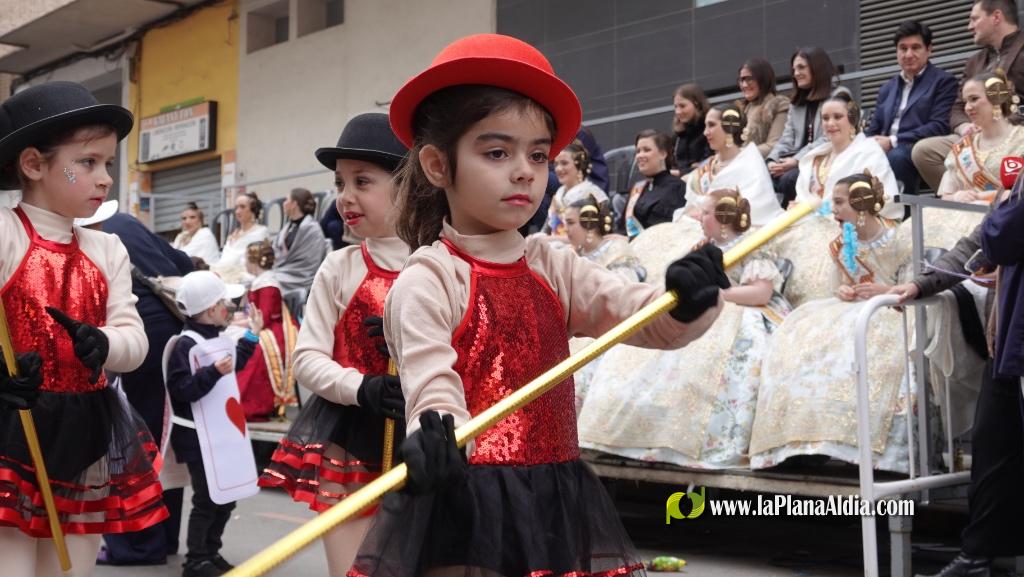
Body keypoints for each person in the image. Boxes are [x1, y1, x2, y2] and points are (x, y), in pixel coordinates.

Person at [348, 33, 727, 577]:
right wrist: (438, 434)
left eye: (538, 154)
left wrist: (683, 300)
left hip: (555, 497)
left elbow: (633, 314)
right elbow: (432, 383)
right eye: (496, 152)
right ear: (437, 164)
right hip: (467, 502)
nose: (524, 170)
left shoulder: (551, 263)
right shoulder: (430, 278)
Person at [0, 81, 165, 577]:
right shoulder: (5, 232)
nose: (105, 178)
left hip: (87, 432)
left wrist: (105, 343)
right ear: (33, 165)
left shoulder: (107, 249)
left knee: (71, 569)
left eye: (109, 164)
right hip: (12, 427)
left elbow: (134, 343)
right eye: (88, 162)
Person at [258, 112, 411, 576]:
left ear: (409, 186)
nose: (345, 197)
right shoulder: (339, 267)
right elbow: (307, 359)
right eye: (340, 183)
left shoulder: (445, 265)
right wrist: (361, 387)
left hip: (432, 441)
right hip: (351, 439)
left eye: (362, 182)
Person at [580, 188, 790, 469]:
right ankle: (642, 431)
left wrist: (716, 294)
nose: (699, 218)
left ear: (724, 217)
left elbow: (761, 293)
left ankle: (698, 438)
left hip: (741, 312)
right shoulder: (701, 246)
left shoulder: (753, 243)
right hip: (711, 306)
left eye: (706, 213)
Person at [750, 172, 913, 472]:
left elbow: (911, 285)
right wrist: (844, 289)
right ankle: (805, 442)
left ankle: (878, 450)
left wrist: (883, 291)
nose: (833, 210)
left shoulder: (898, 237)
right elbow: (838, 283)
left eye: (839, 202)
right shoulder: (840, 244)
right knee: (801, 344)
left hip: (891, 312)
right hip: (848, 310)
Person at [97, 209, 194, 567]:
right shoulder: (127, 224)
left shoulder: (89, 231)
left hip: (132, 340)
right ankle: (165, 537)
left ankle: (138, 543)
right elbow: (185, 264)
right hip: (171, 336)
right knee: (161, 439)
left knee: (129, 441)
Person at [165, 271, 260, 577]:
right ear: (208, 309)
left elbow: (235, 362)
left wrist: (252, 337)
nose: (229, 308)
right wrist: (212, 374)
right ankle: (195, 560)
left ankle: (210, 551)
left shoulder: (219, 338)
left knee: (227, 497)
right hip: (197, 437)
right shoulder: (184, 345)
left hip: (224, 432)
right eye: (223, 302)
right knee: (207, 498)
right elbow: (181, 390)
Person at [913, 0, 1024, 190]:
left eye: (974, 19)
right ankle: (965, 198)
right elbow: (957, 107)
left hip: (1014, 133)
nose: (969, 26)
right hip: (976, 136)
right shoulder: (974, 61)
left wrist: (1007, 121)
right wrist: (965, 127)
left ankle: (1006, 202)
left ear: (996, 17)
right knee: (924, 151)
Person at [926, 70, 1024, 250]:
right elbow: (945, 196)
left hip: (1005, 222)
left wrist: (982, 197)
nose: (967, 108)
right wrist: (957, 196)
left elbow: (1018, 196)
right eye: (965, 102)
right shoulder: (963, 147)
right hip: (957, 218)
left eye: (974, 99)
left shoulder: (1021, 140)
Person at [864, 20, 958, 197]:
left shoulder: (943, 81)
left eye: (916, 47)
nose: (909, 54)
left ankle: (902, 218)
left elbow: (939, 126)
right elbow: (874, 128)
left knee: (897, 156)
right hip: (885, 148)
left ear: (929, 49)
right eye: (903, 48)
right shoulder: (887, 88)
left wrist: (892, 141)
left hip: (916, 149)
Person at [793, 93, 903, 220]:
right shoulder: (815, 157)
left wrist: (817, 207)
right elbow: (802, 198)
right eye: (825, 118)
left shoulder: (868, 151)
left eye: (838, 117)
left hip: (856, 226)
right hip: (810, 223)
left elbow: (883, 201)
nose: (830, 123)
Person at [767, 47, 852, 206]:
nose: (796, 73)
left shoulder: (839, 95)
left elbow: (829, 138)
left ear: (817, 67)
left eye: (801, 67)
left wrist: (797, 160)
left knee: (789, 178)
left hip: (826, 158)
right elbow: (787, 137)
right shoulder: (796, 103)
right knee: (764, 175)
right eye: (794, 69)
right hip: (797, 160)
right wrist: (772, 160)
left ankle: (795, 223)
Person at [685, 103, 783, 225]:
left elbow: (755, 208)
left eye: (711, 125)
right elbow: (691, 206)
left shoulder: (750, 162)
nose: (705, 132)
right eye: (705, 126)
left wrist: (710, 215)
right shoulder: (706, 168)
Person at [235, 240, 298, 420]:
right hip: (264, 325)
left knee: (253, 346)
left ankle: (247, 402)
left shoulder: (268, 284)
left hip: (275, 332)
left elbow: (264, 318)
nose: (244, 262)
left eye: (246, 258)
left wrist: (239, 323)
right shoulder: (260, 281)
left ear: (254, 261)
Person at [622, 129, 685, 238]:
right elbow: (622, 229)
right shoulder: (637, 189)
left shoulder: (677, 187)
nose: (640, 155)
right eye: (638, 151)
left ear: (663, 154)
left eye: (646, 150)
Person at [272, 187, 328, 297]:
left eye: (286, 200)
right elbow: (276, 250)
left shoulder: (313, 229)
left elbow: (309, 263)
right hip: (282, 271)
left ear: (294, 204)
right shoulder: (287, 227)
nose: (284, 203)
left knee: (265, 282)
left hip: (300, 276)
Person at [543, 142, 607, 236]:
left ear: (579, 165)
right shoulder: (558, 194)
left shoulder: (592, 194)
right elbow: (547, 230)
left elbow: (589, 238)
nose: (558, 169)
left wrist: (549, 240)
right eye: (556, 164)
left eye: (564, 163)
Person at [737, 57, 791, 158]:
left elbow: (774, 145)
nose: (744, 85)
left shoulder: (779, 104)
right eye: (741, 80)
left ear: (763, 79)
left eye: (749, 79)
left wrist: (738, 155)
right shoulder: (741, 110)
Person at [212, 191, 269, 283]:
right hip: (223, 271)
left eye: (242, 207)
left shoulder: (260, 232)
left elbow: (254, 261)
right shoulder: (234, 233)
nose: (237, 211)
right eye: (236, 207)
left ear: (253, 210)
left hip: (243, 276)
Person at [671, 83, 713, 174]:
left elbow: (710, 163)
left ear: (696, 104)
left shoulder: (710, 129)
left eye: (682, 106)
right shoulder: (678, 136)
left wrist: (680, 173)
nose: (678, 112)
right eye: (675, 107)